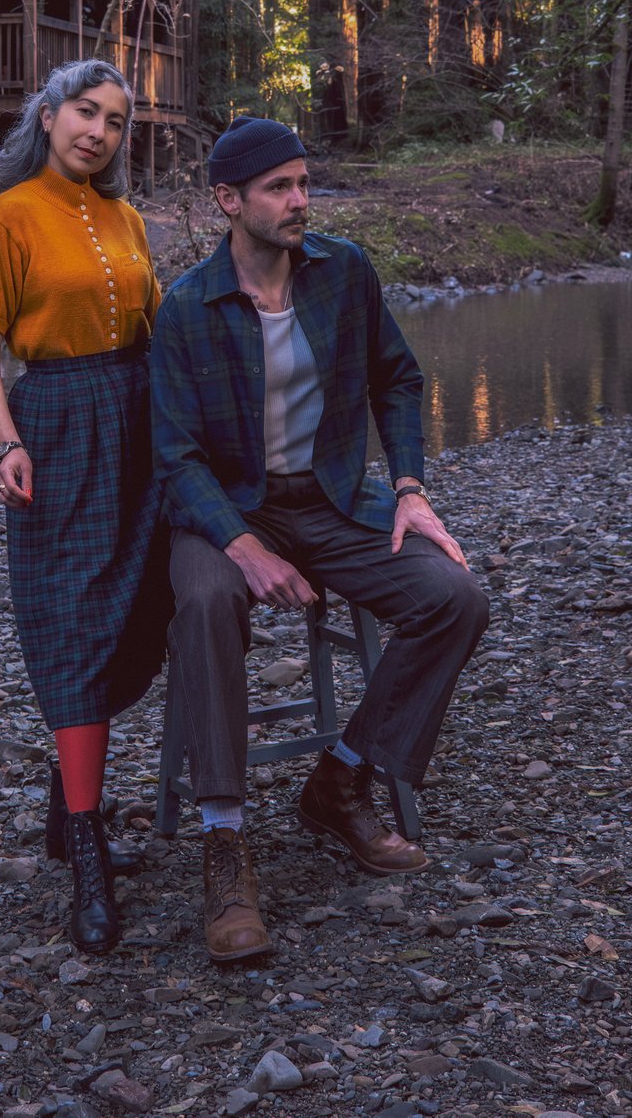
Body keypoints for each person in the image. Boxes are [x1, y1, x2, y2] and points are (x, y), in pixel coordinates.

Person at [149, 116, 489, 963]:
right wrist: (241, 543)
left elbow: (398, 377)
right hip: (227, 508)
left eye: (305, 183)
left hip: (332, 498)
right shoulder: (188, 306)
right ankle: (225, 844)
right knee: (204, 601)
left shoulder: (344, 272)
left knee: (455, 597)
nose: (300, 200)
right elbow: (173, 455)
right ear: (229, 201)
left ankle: (341, 779)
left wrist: (409, 487)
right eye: (279, 187)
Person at [0, 58, 167, 956]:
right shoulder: (6, 217)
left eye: (117, 122)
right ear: (47, 114)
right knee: (72, 622)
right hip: (57, 420)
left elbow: (162, 323)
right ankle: (86, 855)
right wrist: (9, 441)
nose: (100, 132)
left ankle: (63, 809)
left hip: (139, 417)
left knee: (138, 616)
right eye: (87, 112)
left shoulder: (127, 218)